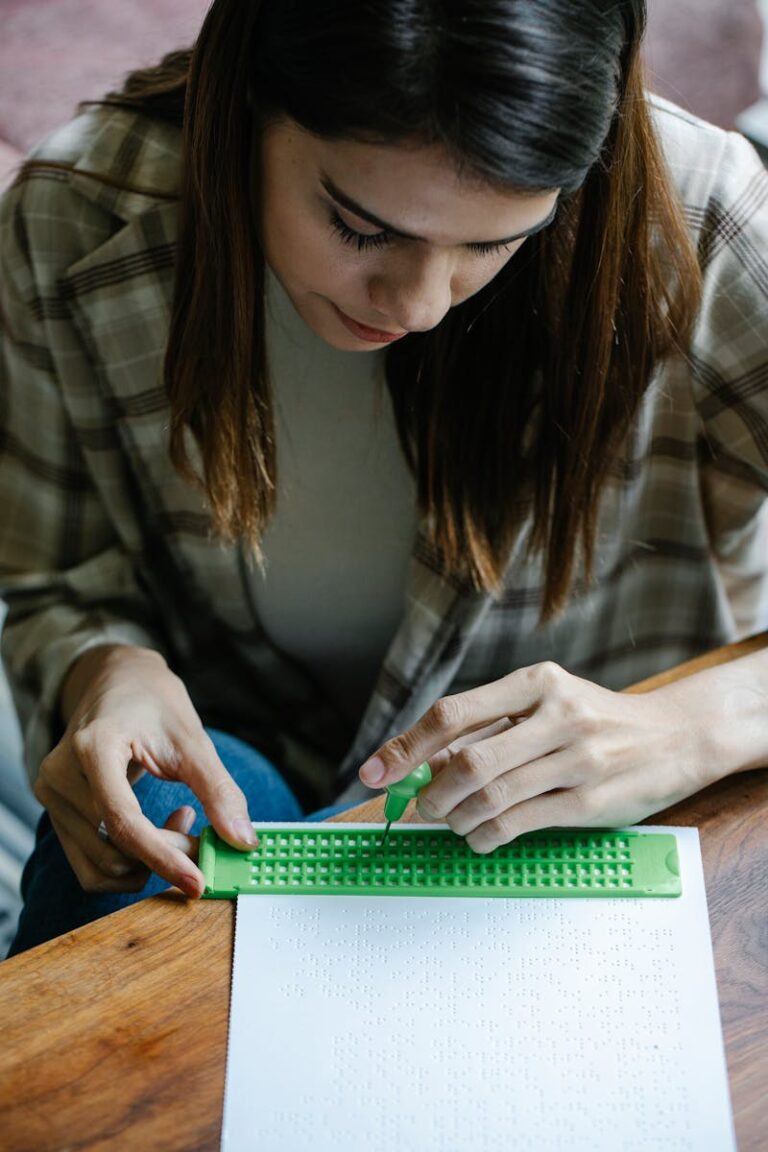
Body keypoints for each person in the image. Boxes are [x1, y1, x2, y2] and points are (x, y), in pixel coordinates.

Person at [1, 0, 766, 956]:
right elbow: (51, 579)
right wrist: (104, 669)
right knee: (136, 829)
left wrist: (694, 727)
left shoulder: (701, 222)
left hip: (580, 831)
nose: (420, 306)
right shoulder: (73, 216)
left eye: (493, 242)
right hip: (251, 788)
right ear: (249, 100)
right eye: (361, 228)